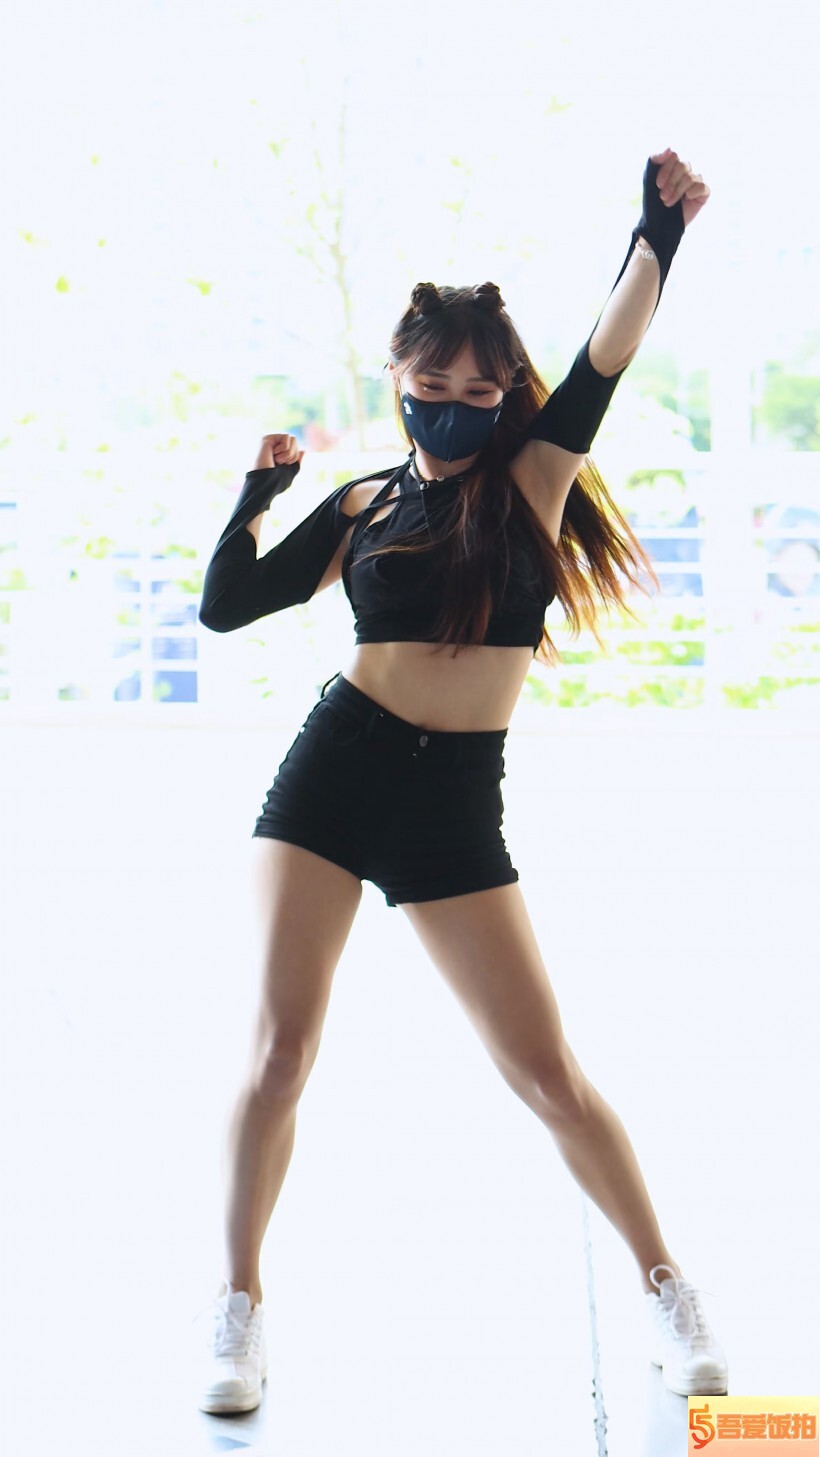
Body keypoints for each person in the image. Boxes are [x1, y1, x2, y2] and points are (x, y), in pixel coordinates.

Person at [195, 148, 727, 1411]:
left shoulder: (531, 480)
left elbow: (606, 352)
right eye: (429, 387)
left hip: (450, 804)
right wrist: (257, 496)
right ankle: (236, 1309)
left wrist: (655, 231)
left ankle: (668, 1290)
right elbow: (227, 605)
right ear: (398, 384)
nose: (450, 406)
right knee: (279, 1053)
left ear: (502, 397)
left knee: (546, 1071)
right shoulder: (362, 505)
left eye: (476, 390)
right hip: (331, 778)